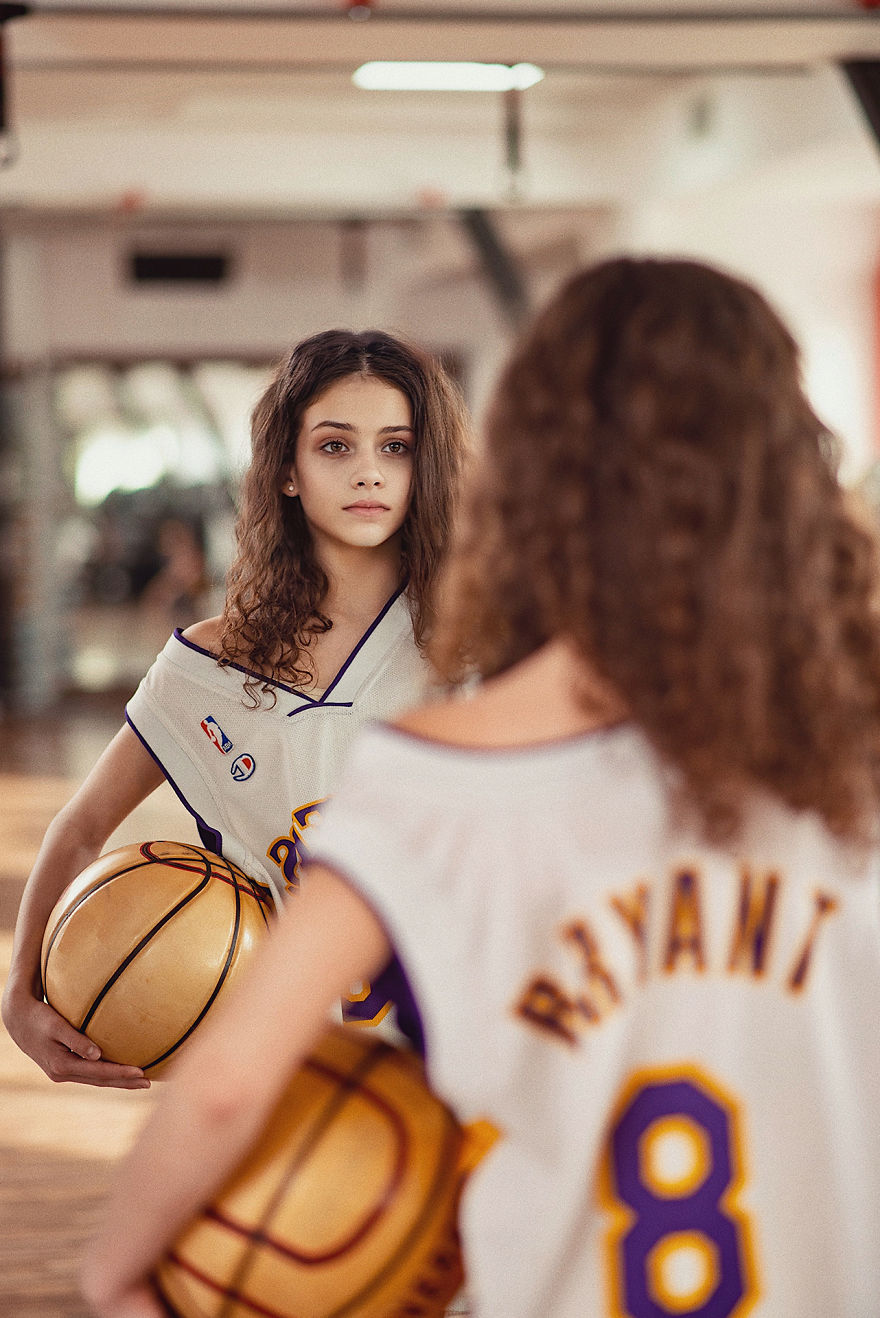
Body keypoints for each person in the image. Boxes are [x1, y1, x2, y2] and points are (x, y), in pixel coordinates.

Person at [81, 257, 880, 1318]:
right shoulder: (853, 754)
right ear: (789, 472)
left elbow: (227, 1085)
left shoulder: (435, 769)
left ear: (531, 483)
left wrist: (115, 1272)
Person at [2, 328, 471, 1090]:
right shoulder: (209, 666)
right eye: (334, 447)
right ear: (287, 469)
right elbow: (82, 828)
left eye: (396, 447)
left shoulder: (477, 646)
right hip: (286, 1069)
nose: (368, 473)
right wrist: (20, 997)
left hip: (461, 1060)